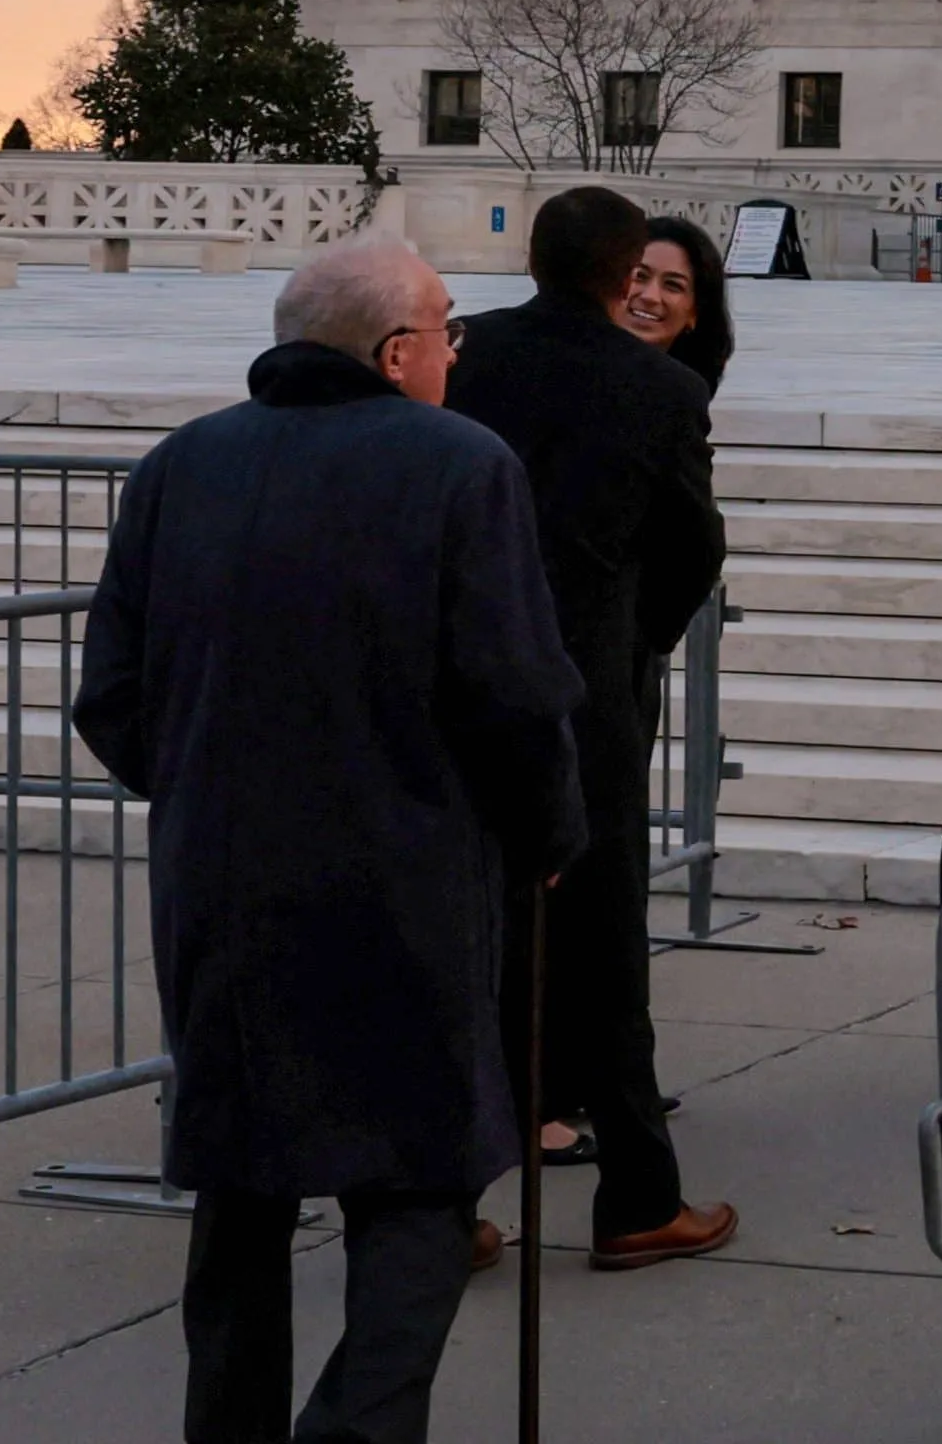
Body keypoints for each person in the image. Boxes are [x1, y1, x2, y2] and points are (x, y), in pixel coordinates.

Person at [75, 239, 588, 1444]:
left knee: (243, 1187)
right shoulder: (462, 466)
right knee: (417, 1175)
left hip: (225, 878)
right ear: (397, 352)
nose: (456, 353)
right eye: (447, 331)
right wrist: (548, 832)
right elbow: (514, 691)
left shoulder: (178, 466)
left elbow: (113, 691)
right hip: (406, 876)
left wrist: (204, 786)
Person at [446, 188, 734, 1267]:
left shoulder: (464, 353)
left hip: (463, 687)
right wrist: (631, 646)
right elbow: (693, 547)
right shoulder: (656, 388)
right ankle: (637, 1200)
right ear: (624, 276)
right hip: (583, 697)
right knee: (605, 953)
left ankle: (443, 1203)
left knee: (472, 943)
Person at [618, 210, 739, 398]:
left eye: (673, 286)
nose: (650, 297)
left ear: (695, 312)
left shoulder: (685, 397)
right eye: (639, 276)